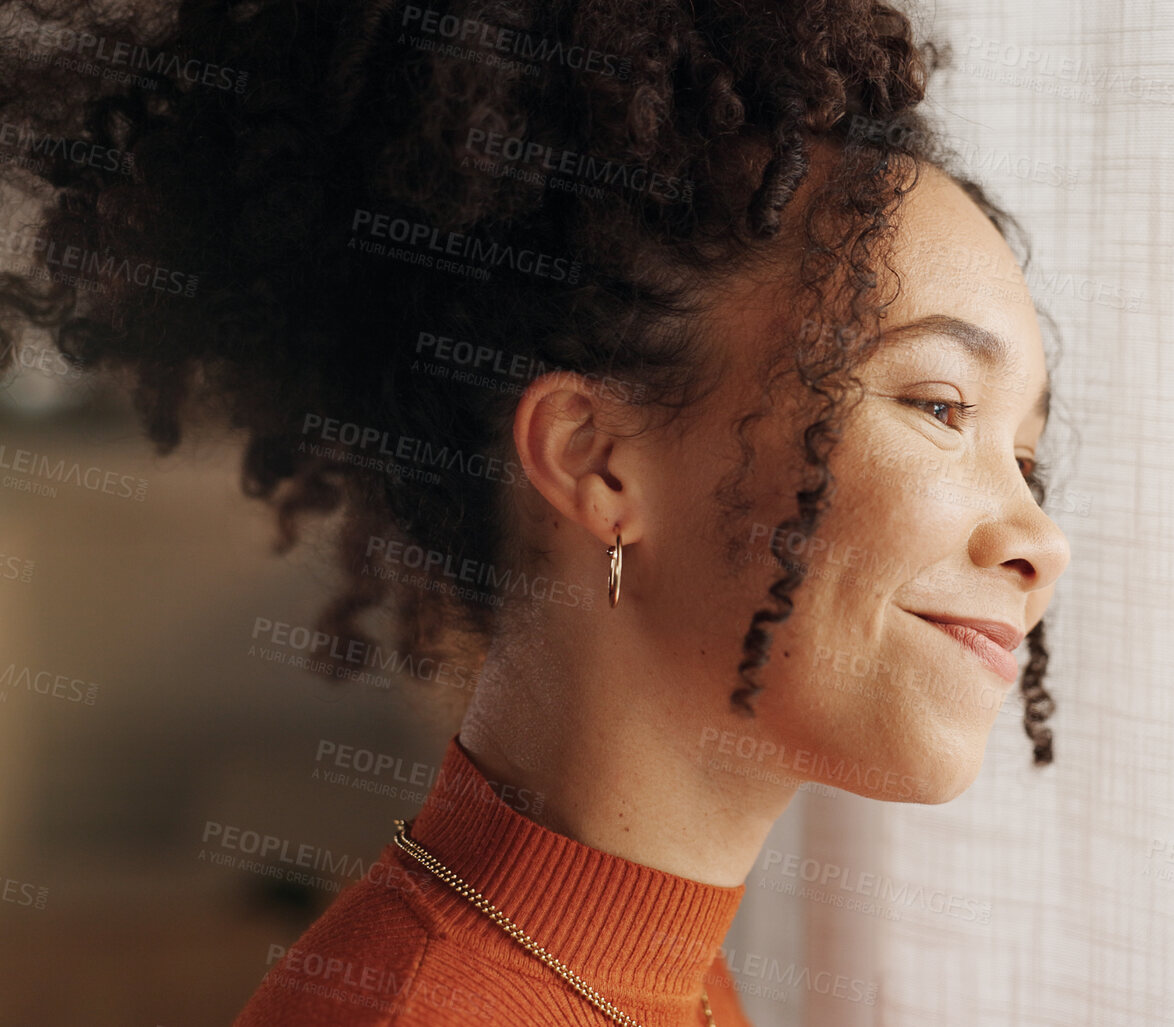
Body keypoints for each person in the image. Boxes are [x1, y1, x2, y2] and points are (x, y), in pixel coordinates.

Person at [0, 1, 1071, 1023]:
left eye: (1024, 457)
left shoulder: (671, 980)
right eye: (940, 405)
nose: (1039, 539)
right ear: (596, 460)